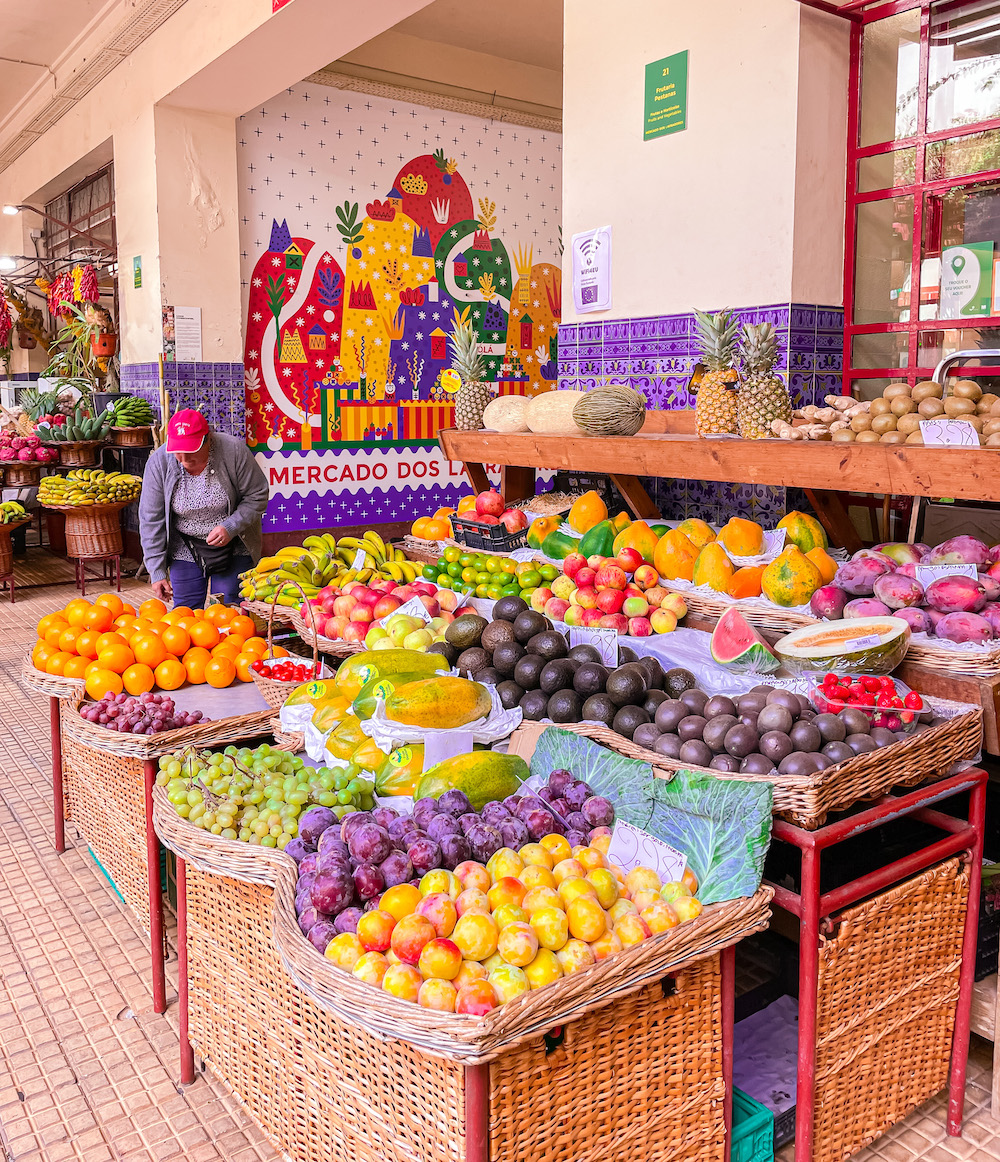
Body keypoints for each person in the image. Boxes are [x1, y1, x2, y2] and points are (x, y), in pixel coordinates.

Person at [139, 408, 269, 608]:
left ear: (208, 440)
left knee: (229, 609)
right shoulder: (159, 462)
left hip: (234, 544)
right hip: (185, 547)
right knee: (186, 613)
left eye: (190, 451)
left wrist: (231, 526)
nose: (183, 459)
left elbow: (257, 495)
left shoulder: (233, 450)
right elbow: (151, 519)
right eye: (177, 452)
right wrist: (156, 570)